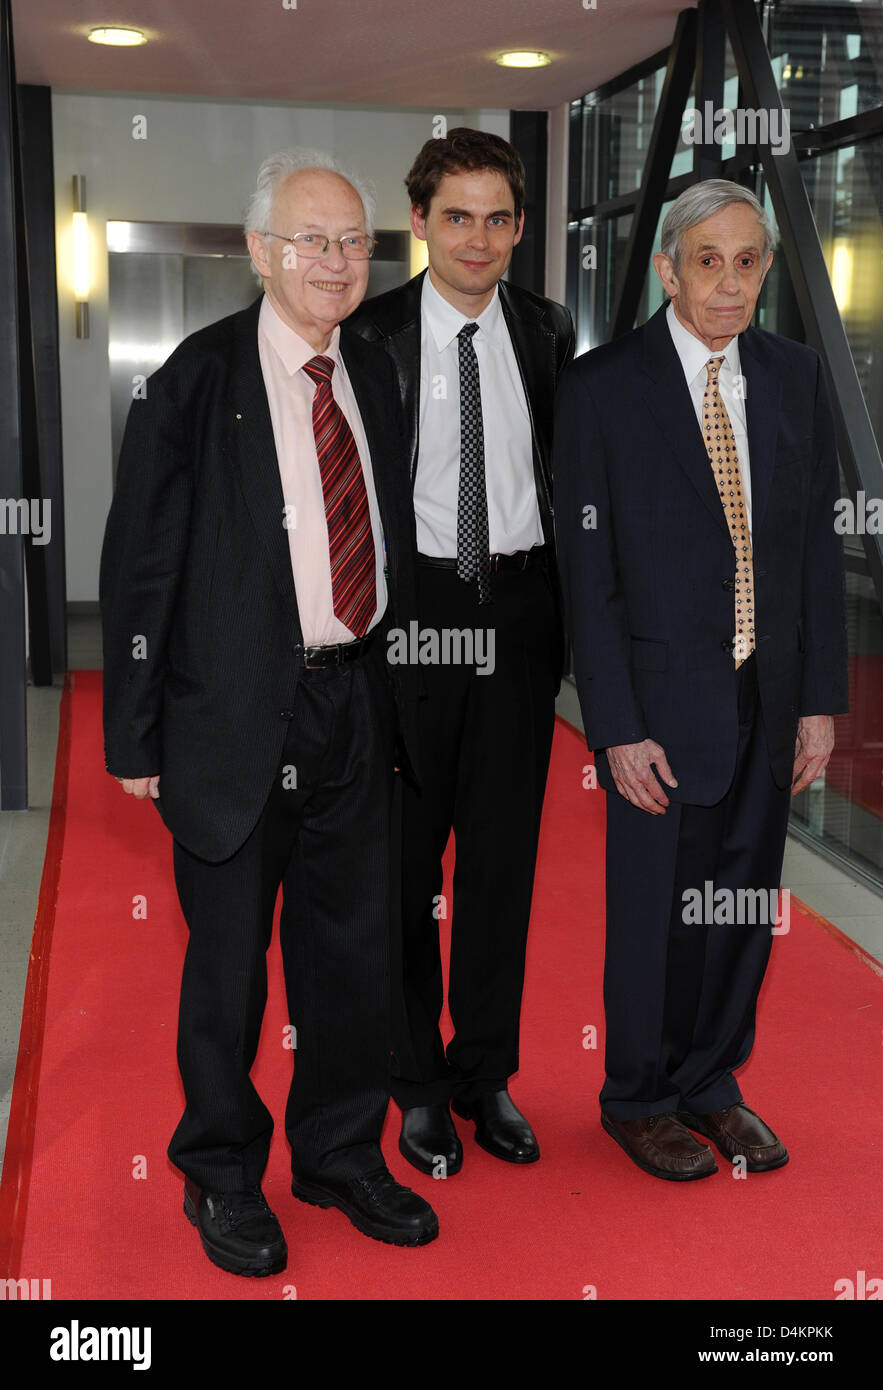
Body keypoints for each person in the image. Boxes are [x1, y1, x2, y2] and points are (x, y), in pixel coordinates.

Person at [100, 148, 438, 1276]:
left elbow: (385, 540)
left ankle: (340, 1152)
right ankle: (220, 1173)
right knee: (230, 968)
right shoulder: (191, 383)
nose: (338, 262)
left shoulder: (376, 374)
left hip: (353, 702)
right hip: (234, 715)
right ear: (258, 253)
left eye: (354, 241)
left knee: (351, 956)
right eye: (312, 240)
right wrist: (135, 735)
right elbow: (141, 566)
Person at [553, 178, 848, 1181]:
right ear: (667, 268)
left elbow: (810, 552)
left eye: (748, 261)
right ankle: (637, 1095)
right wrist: (615, 726)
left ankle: (712, 1084)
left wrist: (817, 700)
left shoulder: (793, 374)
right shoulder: (601, 387)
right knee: (655, 913)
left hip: (765, 695)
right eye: (709, 261)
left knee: (741, 903)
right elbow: (585, 579)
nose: (730, 284)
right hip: (657, 710)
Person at [348, 128, 574, 1176]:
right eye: (456, 217)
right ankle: (417, 1084)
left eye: (496, 219)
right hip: (416, 616)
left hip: (520, 614)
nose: (477, 240)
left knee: (500, 862)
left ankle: (485, 1074)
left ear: (520, 230)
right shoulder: (372, 335)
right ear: (420, 223)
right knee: (404, 868)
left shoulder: (547, 329)